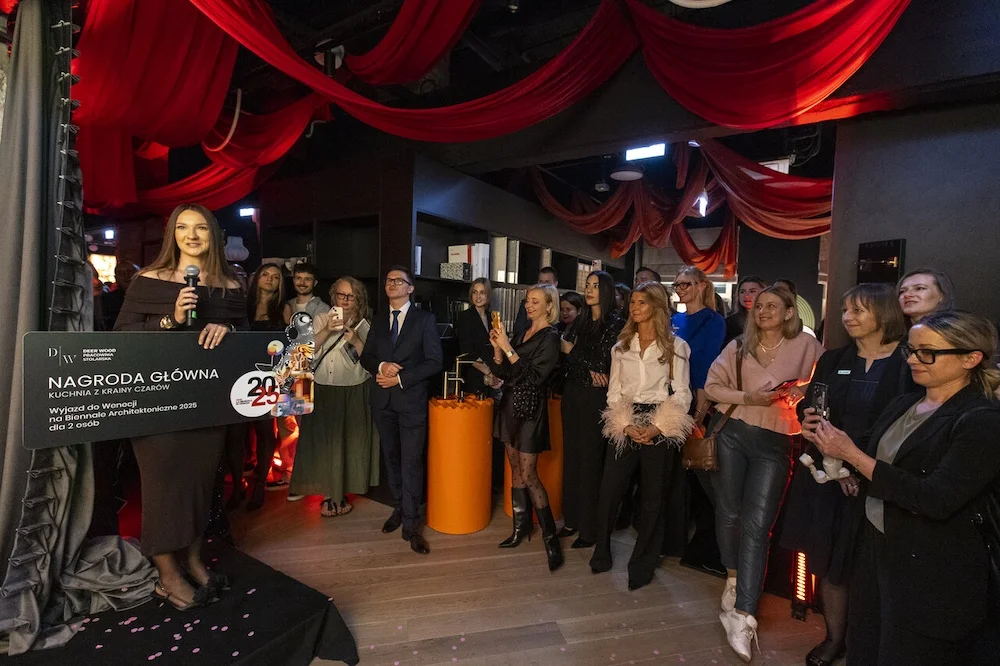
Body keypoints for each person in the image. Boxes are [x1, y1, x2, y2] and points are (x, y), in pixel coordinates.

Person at [810, 311, 1000, 665]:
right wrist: (830, 440)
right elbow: (872, 454)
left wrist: (851, 454)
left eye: (927, 353)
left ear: (971, 358)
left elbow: (935, 498)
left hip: (931, 567)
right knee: (865, 645)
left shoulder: (981, 420)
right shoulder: (905, 403)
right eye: (910, 351)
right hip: (878, 546)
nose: (913, 360)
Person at [114, 203, 246, 610]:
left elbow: (247, 339)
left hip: (207, 405)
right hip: (157, 404)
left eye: (201, 228)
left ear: (213, 235)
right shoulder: (148, 280)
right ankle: (167, 575)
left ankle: (192, 560)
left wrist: (229, 328)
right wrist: (169, 320)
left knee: (198, 488)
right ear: (172, 233)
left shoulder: (231, 284)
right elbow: (122, 337)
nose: (191, 235)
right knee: (163, 489)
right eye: (183, 227)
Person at [779, 283, 909, 666]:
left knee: (871, 568)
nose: (847, 317)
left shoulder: (909, 363)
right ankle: (835, 638)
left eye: (858, 310)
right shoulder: (834, 358)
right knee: (829, 561)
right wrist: (809, 424)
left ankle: (869, 643)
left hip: (881, 479)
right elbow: (814, 406)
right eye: (845, 309)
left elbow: (908, 426)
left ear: (884, 313)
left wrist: (857, 465)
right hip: (828, 476)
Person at [704, 285, 825, 661]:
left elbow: (825, 386)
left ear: (790, 312)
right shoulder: (739, 345)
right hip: (733, 434)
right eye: (759, 306)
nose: (763, 311)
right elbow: (712, 387)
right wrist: (748, 398)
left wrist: (803, 390)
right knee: (729, 513)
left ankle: (744, 615)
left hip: (778, 440)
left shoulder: (807, 346)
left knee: (759, 526)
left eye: (772, 305)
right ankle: (733, 578)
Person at [590, 282, 694, 590]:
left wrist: (658, 427)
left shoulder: (676, 346)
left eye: (642, 303)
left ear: (657, 307)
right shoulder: (621, 347)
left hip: (660, 418)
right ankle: (601, 550)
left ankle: (643, 563)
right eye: (633, 302)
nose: (634, 308)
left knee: (653, 496)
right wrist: (624, 424)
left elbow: (682, 393)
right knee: (610, 490)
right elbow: (614, 393)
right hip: (626, 416)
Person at [361, 266, 443, 555]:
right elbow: (366, 357)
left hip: (411, 403)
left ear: (410, 288)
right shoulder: (378, 319)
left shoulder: (425, 320)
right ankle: (399, 508)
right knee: (391, 458)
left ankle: (412, 524)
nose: (392, 283)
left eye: (399, 280)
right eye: (388, 280)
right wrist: (382, 366)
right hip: (382, 402)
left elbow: (435, 362)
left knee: (411, 462)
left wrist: (400, 378)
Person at [487, 284, 564, 570]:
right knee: (515, 469)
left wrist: (508, 348)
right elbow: (506, 374)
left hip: (531, 411)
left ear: (549, 306)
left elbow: (534, 378)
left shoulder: (551, 337)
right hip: (510, 407)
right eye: (527, 301)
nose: (529, 306)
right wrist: (498, 351)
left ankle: (550, 539)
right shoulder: (522, 332)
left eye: (535, 301)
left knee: (529, 474)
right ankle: (521, 528)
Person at [290, 277, 379, 517]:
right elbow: (305, 351)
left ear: (359, 299)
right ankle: (329, 495)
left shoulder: (367, 324)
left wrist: (356, 340)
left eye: (351, 296)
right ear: (334, 296)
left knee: (349, 443)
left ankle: (341, 493)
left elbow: (372, 361)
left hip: (353, 388)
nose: (345, 300)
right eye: (341, 295)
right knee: (325, 444)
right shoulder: (320, 318)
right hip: (322, 388)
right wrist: (328, 329)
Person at [558, 271, 625, 548]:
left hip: (597, 399)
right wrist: (583, 364)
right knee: (571, 458)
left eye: (595, 286)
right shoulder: (580, 320)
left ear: (606, 290)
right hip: (572, 393)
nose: (589, 289)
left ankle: (589, 529)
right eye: (587, 285)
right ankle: (571, 520)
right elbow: (566, 359)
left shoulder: (615, 322)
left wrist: (574, 353)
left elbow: (603, 364)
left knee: (590, 462)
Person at [242, 263, 287, 511]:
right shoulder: (242, 305)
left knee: (265, 430)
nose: (270, 279)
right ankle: (239, 486)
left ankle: (260, 484)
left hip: (268, 378)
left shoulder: (283, 308)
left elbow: (292, 344)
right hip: (238, 374)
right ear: (256, 278)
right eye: (266, 274)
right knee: (237, 433)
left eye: (276, 277)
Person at [671, 266, 725, 416]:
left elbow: (708, 364)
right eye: (676, 285)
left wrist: (701, 407)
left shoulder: (714, 320)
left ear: (702, 286)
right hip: (673, 390)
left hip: (697, 392)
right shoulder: (674, 319)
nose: (679, 290)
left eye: (684, 284)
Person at [456, 278, 496, 397]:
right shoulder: (465, 317)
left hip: (492, 376)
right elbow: (467, 351)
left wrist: (496, 373)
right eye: (475, 292)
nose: (478, 296)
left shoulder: (492, 317)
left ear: (488, 295)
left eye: (482, 292)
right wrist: (488, 372)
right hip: (472, 376)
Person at [513, 266, 558, 338]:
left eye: (535, 302)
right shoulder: (525, 304)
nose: (528, 305)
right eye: (541, 282)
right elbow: (518, 329)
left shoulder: (550, 335)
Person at [725, 275, 766, 346]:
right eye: (742, 292)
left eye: (752, 291)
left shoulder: (771, 319)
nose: (746, 296)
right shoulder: (730, 323)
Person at [102, 260, 139, 330]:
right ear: (116, 278)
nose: (126, 275)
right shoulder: (107, 299)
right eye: (121, 273)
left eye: (129, 271)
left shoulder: (148, 296)